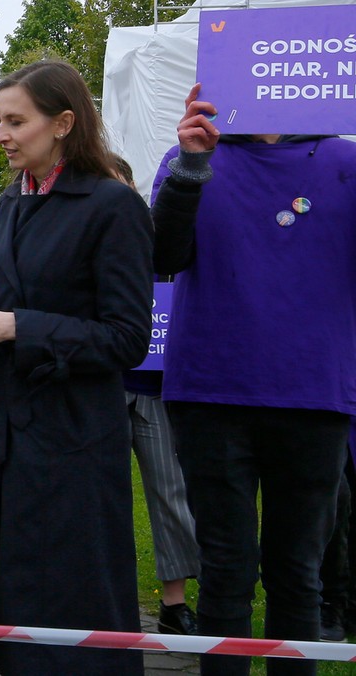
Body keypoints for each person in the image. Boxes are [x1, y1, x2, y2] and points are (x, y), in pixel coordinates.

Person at [0, 60, 152, 674]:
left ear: (62, 123)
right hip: (3, 441)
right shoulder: (14, 200)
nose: (1, 135)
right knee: (13, 608)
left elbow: (126, 338)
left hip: (72, 448)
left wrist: (15, 325)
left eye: (15, 121)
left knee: (71, 612)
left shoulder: (113, 205)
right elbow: (21, 296)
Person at [149, 83, 356, 675]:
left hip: (312, 394)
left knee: (298, 570)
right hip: (210, 392)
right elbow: (162, 257)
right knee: (225, 568)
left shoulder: (345, 159)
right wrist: (190, 165)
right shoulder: (191, 155)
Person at [113, 154, 200, 636]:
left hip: (156, 389)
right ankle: (104, 595)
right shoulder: (90, 241)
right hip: (103, 387)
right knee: (101, 495)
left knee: (171, 494)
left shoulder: (160, 239)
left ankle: (174, 602)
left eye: (121, 184)